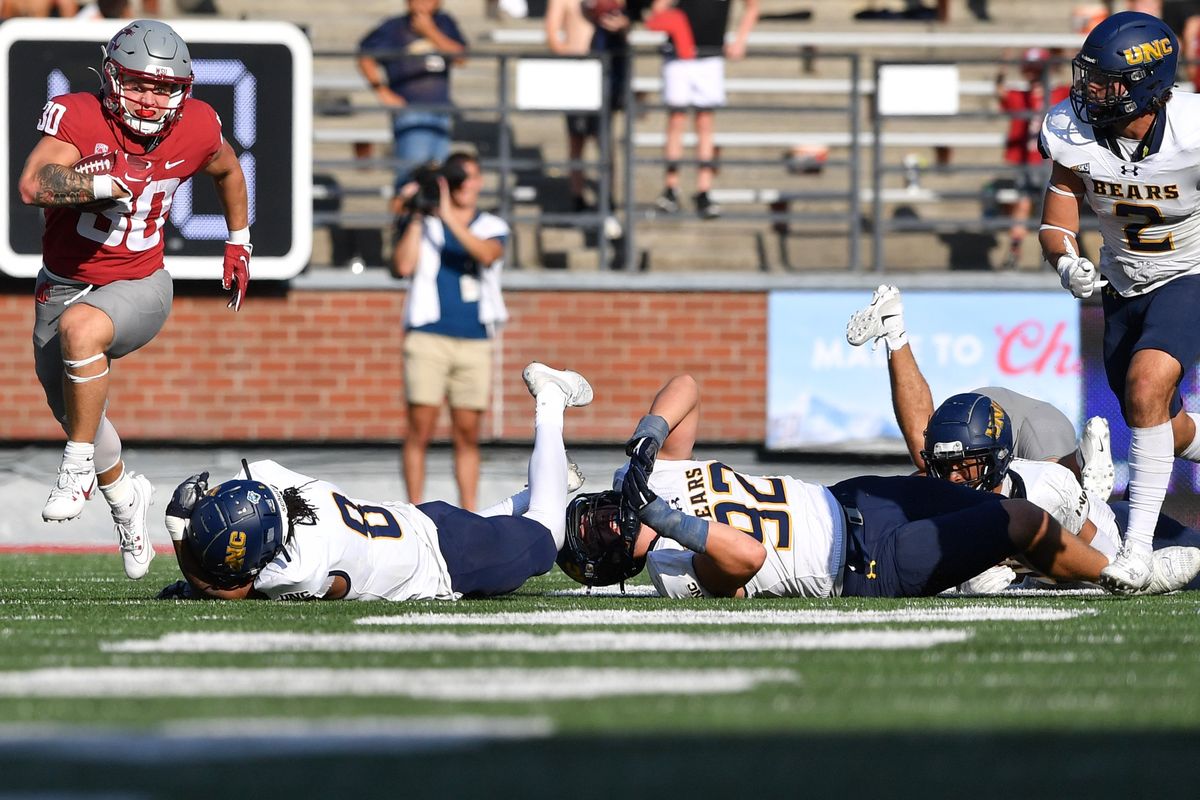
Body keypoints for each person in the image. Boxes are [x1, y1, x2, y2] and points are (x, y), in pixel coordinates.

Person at [554, 374, 1200, 598]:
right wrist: (669, 521)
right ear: (615, 562)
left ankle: (1108, 537)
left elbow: (687, 387)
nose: (609, 519)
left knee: (1006, 501)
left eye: (596, 515)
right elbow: (743, 557)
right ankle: (1124, 576)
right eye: (603, 536)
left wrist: (647, 432)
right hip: (864, 565)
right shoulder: (670, 574)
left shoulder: (645, 474)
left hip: (851, 500)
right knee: (1017, 528)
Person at [18, 19, 251, 580]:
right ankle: (125, 499)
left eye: (164, 87)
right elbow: (31, 185)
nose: (151, 98)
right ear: (112, 78)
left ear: (183, 91)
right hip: (65, 279)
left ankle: (74, 469)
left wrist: (239, 240)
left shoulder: (196, 125)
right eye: (140, 84)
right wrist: (99, 186)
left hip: (142, 283)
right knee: (71, 404)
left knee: (81, 331)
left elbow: (227, 170)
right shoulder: (80, 115)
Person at [159, 363, 592, 601]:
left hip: (449, 562)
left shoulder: (300, 565)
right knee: (514, 518)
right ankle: (546, 483)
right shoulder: (268, 477)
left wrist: (180, 533)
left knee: (548, 532)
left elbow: (230, 591)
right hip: (429, 526)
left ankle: (550, 401)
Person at [1037, 11, 1200, 592]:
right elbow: (1055, 223)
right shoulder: (1072, 130)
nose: (1091, 92)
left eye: (1107, 82)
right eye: (1090, 78)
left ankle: (1137, 552)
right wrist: (1066, 262)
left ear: (1150, 85)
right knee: (1156, 418)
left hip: (1189, 272)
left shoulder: (1193, 129)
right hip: (1123, 284)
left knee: (1145, 384)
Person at [845, 284, 1115, 498]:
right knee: (929, 462)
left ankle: (1081, 460)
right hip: (984, 416)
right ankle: (894, 331)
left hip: (1031, 424)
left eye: (960, 469)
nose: (954, 477)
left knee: (1051, 489)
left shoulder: (1037, 426)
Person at [391, 151, 508, 511]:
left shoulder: (490, 224)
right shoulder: (425, 223)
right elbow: (402, 266)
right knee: (420, 429)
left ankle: (469, 511)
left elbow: (487, 254)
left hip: (475, 340)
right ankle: (413, 511)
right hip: (428, 335)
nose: (464, 185)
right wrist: (416, 214)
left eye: (470, 177)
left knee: (468, 433)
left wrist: (448, 218)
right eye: (457, 178)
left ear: (480, 181)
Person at [645, 0, 759, 220]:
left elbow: (752, 7)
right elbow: (658, 9)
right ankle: (671, 188)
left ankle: (704, 190)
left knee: (705, 122)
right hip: (678, 55)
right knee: (676, 121)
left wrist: (740, 40)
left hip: (710, 55)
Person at [357, 0, 467, 212]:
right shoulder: (393, 27)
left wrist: (430, 32)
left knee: (438, 180)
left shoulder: (444, 23)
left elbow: (461, 57)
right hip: (411, 113)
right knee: (411, 178)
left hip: (441, 113)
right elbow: (364, 55)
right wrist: (381, 90)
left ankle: (431, 232)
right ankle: (405, 229)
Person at [544, 0, 630, 214]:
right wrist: (575, 57)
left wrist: (622, 24)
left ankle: (608, 198)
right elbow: (553, 36)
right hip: (577, 75)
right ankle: (577, 195)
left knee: (605, 141)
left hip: (605, 74)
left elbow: (626, 25)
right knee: (576, 139)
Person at [994, 48, 1069, 270]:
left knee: (1057, 210)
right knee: (1023, 206)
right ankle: (1014, 252)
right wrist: (1002, 69)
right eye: (1031, 70)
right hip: (1029, 162)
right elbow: (1001, 94)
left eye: (1038, 70)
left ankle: (1060, 256)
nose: (1034, 75)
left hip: (1054, 162)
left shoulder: (1059, 93)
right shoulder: (1021, 96)